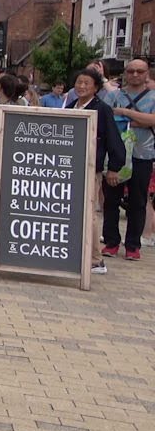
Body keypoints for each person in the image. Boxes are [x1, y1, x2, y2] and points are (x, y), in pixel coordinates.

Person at [65, 67, 126, 274]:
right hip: (69, 167)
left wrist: (114, 168)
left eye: (86, 83)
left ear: (96, 88)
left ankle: (95, 259)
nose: (81, 87)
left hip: (91, 168)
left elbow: (114, 141)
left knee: (88, 213)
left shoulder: (102, 109)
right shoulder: (72, 105)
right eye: (79, 82)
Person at [102, 59, 155, 261]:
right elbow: (106, 120)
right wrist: (140, 119)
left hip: (142, 155)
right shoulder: (114, 95)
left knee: (138, 201)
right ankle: (111, 241)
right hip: (116, 155)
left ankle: (133, 245)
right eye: (130, 71)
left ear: (146, 73)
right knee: (111, 200)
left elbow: (152, 120)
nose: (134, 75)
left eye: (139, 71)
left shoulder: (152, 96)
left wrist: (123, 113)